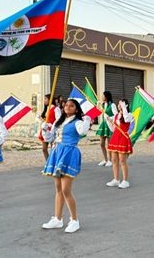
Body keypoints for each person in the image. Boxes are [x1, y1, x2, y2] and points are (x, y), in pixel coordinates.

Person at [41, 99, 91, 233]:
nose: (68, 107)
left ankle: (74, 220)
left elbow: (83, 132)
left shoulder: (78, 122)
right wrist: (45, 130)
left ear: (76, 109)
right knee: (58, 188)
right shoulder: (59, 122)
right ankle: (57, 219)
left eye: (71, 105)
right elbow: (49, 139)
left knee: (66, 190)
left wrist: (87, 119)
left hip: (69, 153)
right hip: (57, 152)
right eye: (66, 105)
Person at [105, 99, 133, 189]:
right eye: (119, 103)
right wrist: (109, 121)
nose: (119, 105)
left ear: (126, 105)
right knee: (114, 160)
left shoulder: (129, 115)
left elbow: (126, 119)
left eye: (121, 103)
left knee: (122, 160)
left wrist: (124, 107)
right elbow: (113, 129)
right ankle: (116, 179)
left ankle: (125, 180)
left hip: (123, 138)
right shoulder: (116, 115)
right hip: (115, 138)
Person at [96, 91, 117, 167]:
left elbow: (116, 115)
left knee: (109, 144)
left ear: (106, 96)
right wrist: (98, 105)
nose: (101, 97)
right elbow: (99, 112)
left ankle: (110, 160)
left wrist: (110, 118)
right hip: (103, 124)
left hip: (109, 125)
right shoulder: (103, 104)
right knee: (101, 143)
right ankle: (105, 159)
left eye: (103, 95)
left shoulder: (112, 105)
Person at [39, 94, 62, 161]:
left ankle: (54, 163)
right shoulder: (46, 109)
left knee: (53, 149)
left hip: (52, 130)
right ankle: (48, 163)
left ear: (50, 99)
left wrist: (51, 125)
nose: (44, 100)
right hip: (45, 130)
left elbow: (58, 120)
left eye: (46, 99)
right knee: (44, 149)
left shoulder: (56, 108)